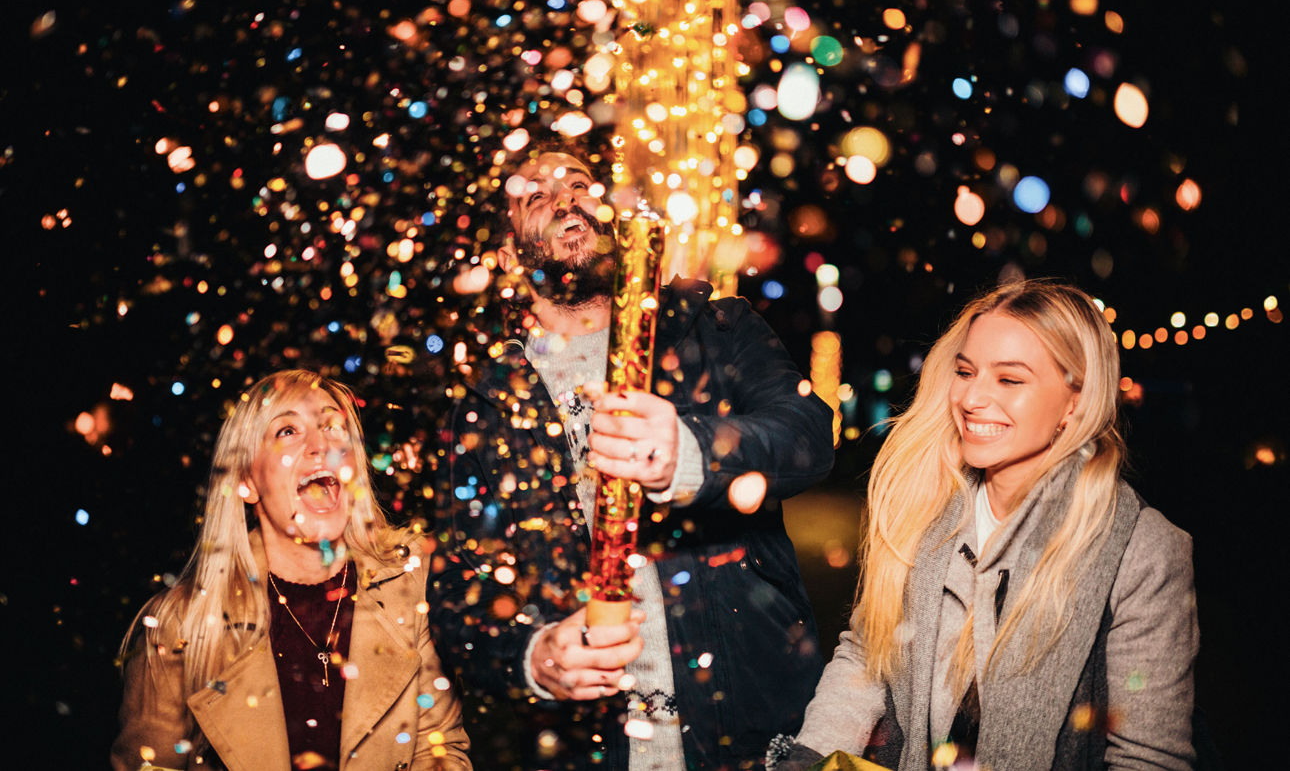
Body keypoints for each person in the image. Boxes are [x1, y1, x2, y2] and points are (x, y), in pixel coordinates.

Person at [429, 149, 834, 769]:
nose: (567, 200)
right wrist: (532, 657)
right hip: (594, 747)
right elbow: (462, 592)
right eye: (537, 196)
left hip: (747, 731)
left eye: (581, 185)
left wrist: (693, 452)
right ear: (510, 256)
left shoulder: (713, 327)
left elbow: (808, 435)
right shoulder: (488, 402)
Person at [772, 280, 1198, 771]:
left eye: (1010, 380)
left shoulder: (1142, 550)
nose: (972, 398)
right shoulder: (925, 503)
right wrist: (807, 760)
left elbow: (1149, 758)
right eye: (965, 371)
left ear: (1075, 400)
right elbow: (870, 656)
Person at [113, 369, 470, 771]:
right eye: (287, 431)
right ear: (246, 480)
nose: (321, 446)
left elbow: (440, 753)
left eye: (334, 427)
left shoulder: (413, 585)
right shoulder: (183, 624)